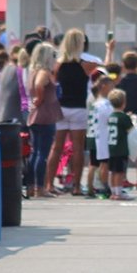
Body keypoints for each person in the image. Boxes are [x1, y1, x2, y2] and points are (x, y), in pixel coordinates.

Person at [44, 28, 91, 194]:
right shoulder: (85, 65)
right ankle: (77, 186)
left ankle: (48, 184)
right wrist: (109, 50)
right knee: (78, 148)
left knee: (56, 147)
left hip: (61, 107)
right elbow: (105, 68)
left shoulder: (58, 65)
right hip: (78, 108)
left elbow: (53, 81)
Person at [113, 50, 137, 189]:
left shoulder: (121, 81)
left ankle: (123, 177)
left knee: (124, 147)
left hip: (124, 116)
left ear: (123, 65)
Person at [26, 41, 61, 198]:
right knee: (42, 153)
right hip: (45, 115)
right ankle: (39, 187)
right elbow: (40, 85)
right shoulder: (44, 72)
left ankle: (32, 186)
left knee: (35, 153)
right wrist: (40, 98)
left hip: (37, 115)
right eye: (53, 55)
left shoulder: (33, 71)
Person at [105, 89, 134, 199]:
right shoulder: (123, 117)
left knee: (112, 171)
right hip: (120, 149)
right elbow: (130, 130)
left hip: (111, 148)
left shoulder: (111, 116)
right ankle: (118, 192)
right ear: (124, 102)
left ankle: (113, 191)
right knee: (119, 172)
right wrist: (130, 118)